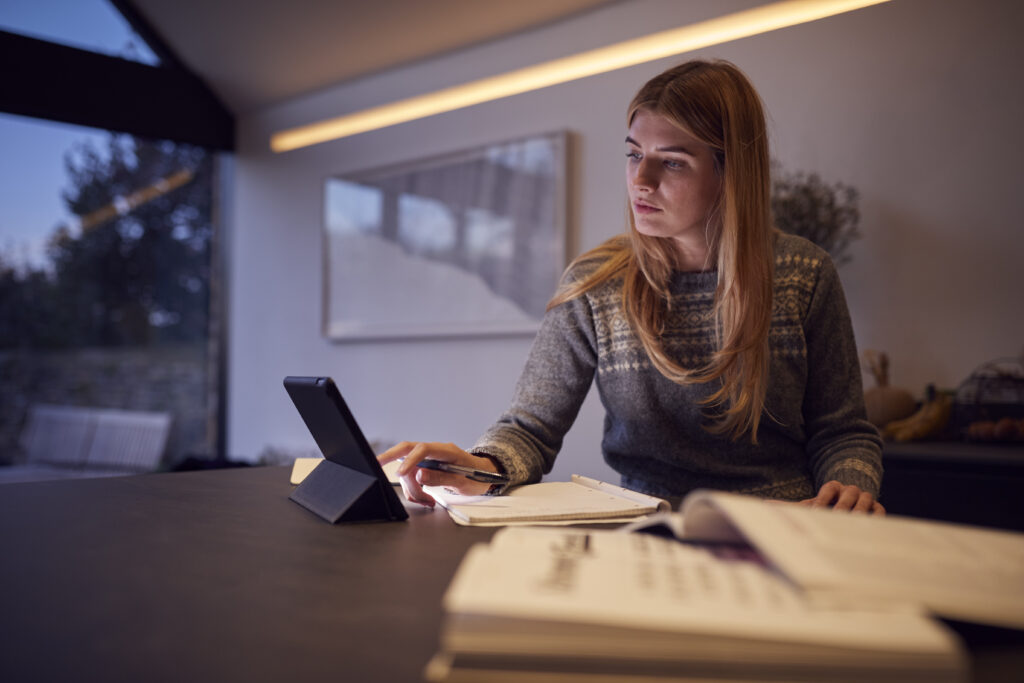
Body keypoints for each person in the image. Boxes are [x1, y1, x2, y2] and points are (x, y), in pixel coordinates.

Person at [379, 59, 884, 514]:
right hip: (649, 527)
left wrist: (850, 484)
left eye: (672, 161)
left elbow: (842, 432)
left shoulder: (804, 273)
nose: (641, 179)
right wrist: (478, 465)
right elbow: (529, 430)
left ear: (730, 173)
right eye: (633, 154)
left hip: (785, 525)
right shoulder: (597, 283)